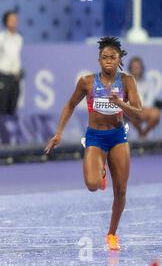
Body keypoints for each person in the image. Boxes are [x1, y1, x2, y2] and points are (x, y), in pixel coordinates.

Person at [44, 37, 142, 251]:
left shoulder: (127, 81)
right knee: (92, 185)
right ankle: (101, 171)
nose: (108, 61)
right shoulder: (87, 81)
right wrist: (58, 133)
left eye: (113, 57)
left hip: (117, 137)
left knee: (121, 190)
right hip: (95, 137)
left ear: (119, 60)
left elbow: (138, 114)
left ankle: (112, 234)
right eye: (105, 57)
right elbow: (69, 105)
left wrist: (121, 104)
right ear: (99, 60)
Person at [0, 10, 23, 115]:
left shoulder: (19, 38)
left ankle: (10, 131)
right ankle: (0, 130)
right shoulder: (0, 38)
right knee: (2, 107)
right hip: (3, 77)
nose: (14, 22)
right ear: (6, 22)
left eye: (16, 20)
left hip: (15, 78)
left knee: (13, 108)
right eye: (11, 20)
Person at [127, 56, 161, 139]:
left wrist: (142, 108)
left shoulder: (149, 81)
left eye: (138, 67)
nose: (136, 69)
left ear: (142, 68)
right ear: (130, 68)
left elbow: (150, 99)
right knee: (131, 112)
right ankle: (140, 132)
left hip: (145, 109)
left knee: (156, 114)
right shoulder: (126, 82)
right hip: (131, 109)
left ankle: (144, 133)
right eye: (134, 67)